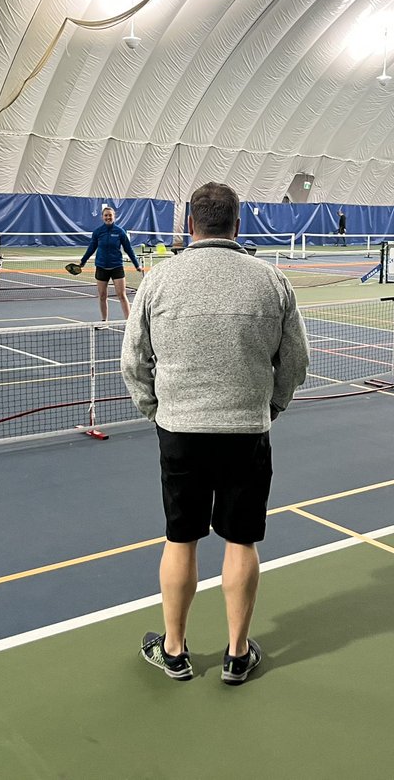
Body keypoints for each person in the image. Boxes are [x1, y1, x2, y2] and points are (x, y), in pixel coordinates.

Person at [121, 182, 310, 685]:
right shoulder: (272, 282)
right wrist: (267, 408)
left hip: (179, 432)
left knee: (180, 539)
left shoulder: (158, 281)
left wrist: (159, 413)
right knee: (241, 539)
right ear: (237, 224)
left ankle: (176, 652)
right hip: (247, 431)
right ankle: (236, 654)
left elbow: (133, 362)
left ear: (190, 225)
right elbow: (294, 364)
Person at [78, 205, 143, 322]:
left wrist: (136, 264)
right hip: (101, 267)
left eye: (110, 215)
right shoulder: (98, 232)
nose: (108, 217)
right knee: (102, 296)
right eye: (106, 215)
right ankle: (104, 321)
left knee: (122, 295)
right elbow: (91, 248)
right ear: (102, 217)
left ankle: (129, 323)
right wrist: (82, 262)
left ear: (114, 217)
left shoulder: (120, 232)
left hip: (117, 267)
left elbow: (129, 249)